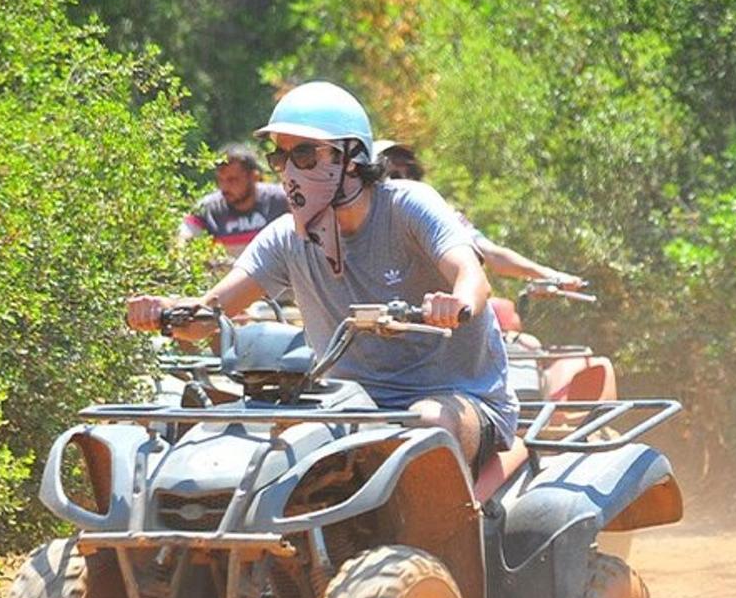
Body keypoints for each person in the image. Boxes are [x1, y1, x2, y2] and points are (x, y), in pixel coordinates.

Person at [129, 82, 518, 470]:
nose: (288, 171)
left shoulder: (407, 205)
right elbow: (209, 313)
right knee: (260, 441)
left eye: (304, 154)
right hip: (348, 404)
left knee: (426, 424)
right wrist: (165, 313)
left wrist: (456, 303)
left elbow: (471, 275)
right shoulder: (286, 237)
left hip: (459, 397)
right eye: (280, 157)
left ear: (350, 157)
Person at [374, 140, 585, 288]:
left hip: (442, 327)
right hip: (378, 338)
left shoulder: (439, 217)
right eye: (392, 175)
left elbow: (491, 254)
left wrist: (549, 275)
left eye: (409, 174)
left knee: (528, 344)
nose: (403, 181)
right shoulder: (353, 230)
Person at [178, 143, 290, 258]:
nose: (224, 187)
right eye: (221, 180)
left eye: (232, 180)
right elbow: (183, 244)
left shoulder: (282, 200)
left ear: (254, 177)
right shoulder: (207, 209)